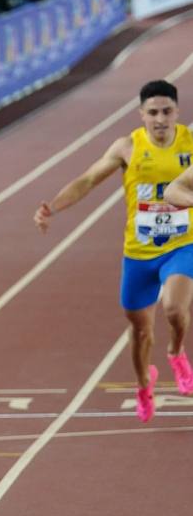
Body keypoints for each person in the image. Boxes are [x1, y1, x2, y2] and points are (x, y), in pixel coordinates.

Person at [39, 80, 192, 422]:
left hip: (182, 245)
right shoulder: (127, 147)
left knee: (174, 308)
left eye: (167, 111)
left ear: (177, 112)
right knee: (140, 331)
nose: (160, 119)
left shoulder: (190, 144)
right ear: (141, 115)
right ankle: (143, 385)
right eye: (153, 112)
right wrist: (54, 206)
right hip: (138, 253)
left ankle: (176, 351)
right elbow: (89, 179)